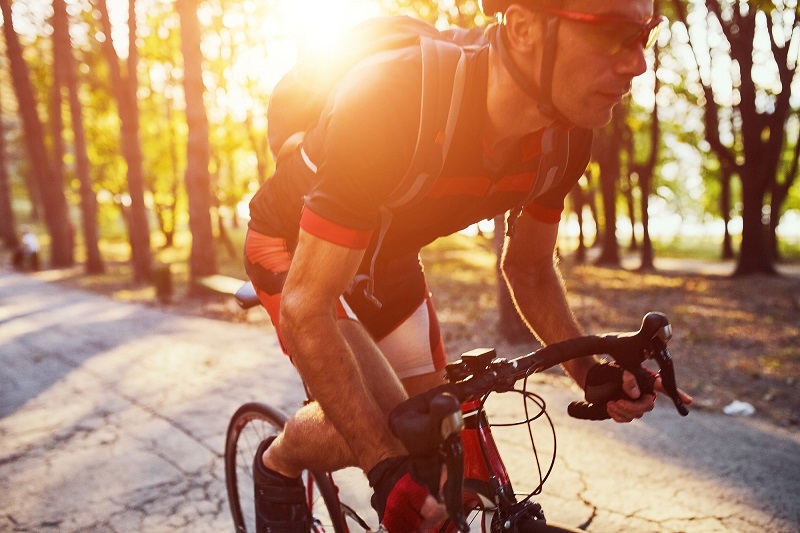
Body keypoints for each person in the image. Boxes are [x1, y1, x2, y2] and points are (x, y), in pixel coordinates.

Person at [243, 1, 693, 531]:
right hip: (293, 248)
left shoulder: (566, 137)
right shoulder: (391, 101)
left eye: (646, 34)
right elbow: (306, 306)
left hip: (386, 256)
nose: (638, 63)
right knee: (392, 433)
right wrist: (384, 470)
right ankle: (279, 460)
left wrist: (587, 371)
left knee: (431, 427)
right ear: (524, 28)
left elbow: (527, 268)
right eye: (614, 34)